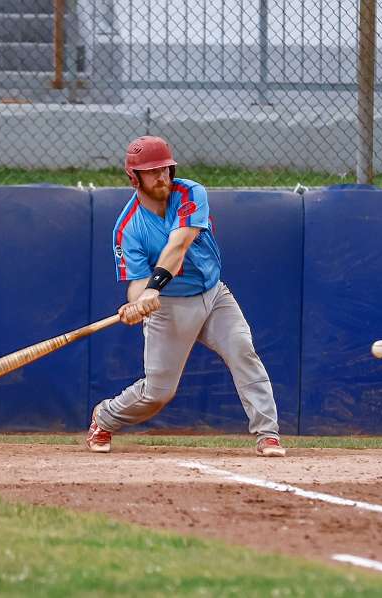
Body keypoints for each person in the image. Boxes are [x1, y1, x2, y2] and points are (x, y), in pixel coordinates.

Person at [87, 136, 286, 457]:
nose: (162, 176)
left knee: (242, 349)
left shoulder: (190, 193)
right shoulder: (128, 228)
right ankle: (105, 417)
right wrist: (138, 303)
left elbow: (178, 245)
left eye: (165, 168)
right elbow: (136, 284)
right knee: (158, 393)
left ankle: (267, 433)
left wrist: (152, 288)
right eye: (152, 172)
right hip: (169, 309)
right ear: (134, 178)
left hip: (213, 294)